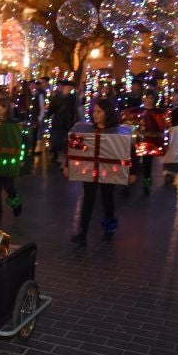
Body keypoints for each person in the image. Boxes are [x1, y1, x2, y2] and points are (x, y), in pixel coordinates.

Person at [66, 99, 132, 245]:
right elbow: (74, 146)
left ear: (107, 113)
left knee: (107, 200)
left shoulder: (116, 132)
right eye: (94, 111)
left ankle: (109, 228)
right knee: (88, 200)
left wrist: (132, 172)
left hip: (108, 171)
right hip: (90, 170)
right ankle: (82, 233)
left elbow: (126, 151)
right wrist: (68, 165)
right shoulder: (86, 130)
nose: (95, 115)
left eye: (99, 112)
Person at [46, 79, 77, 163]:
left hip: (67, 122)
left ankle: (62, 157)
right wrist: (48, 116)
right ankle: (56, 154)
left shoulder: (72, 97)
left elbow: (73, 110)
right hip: (58, 121)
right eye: (69, 86)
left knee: (64, 140)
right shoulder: (57, 96)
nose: (71, 88)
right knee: (56, 139)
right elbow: (52, 108)